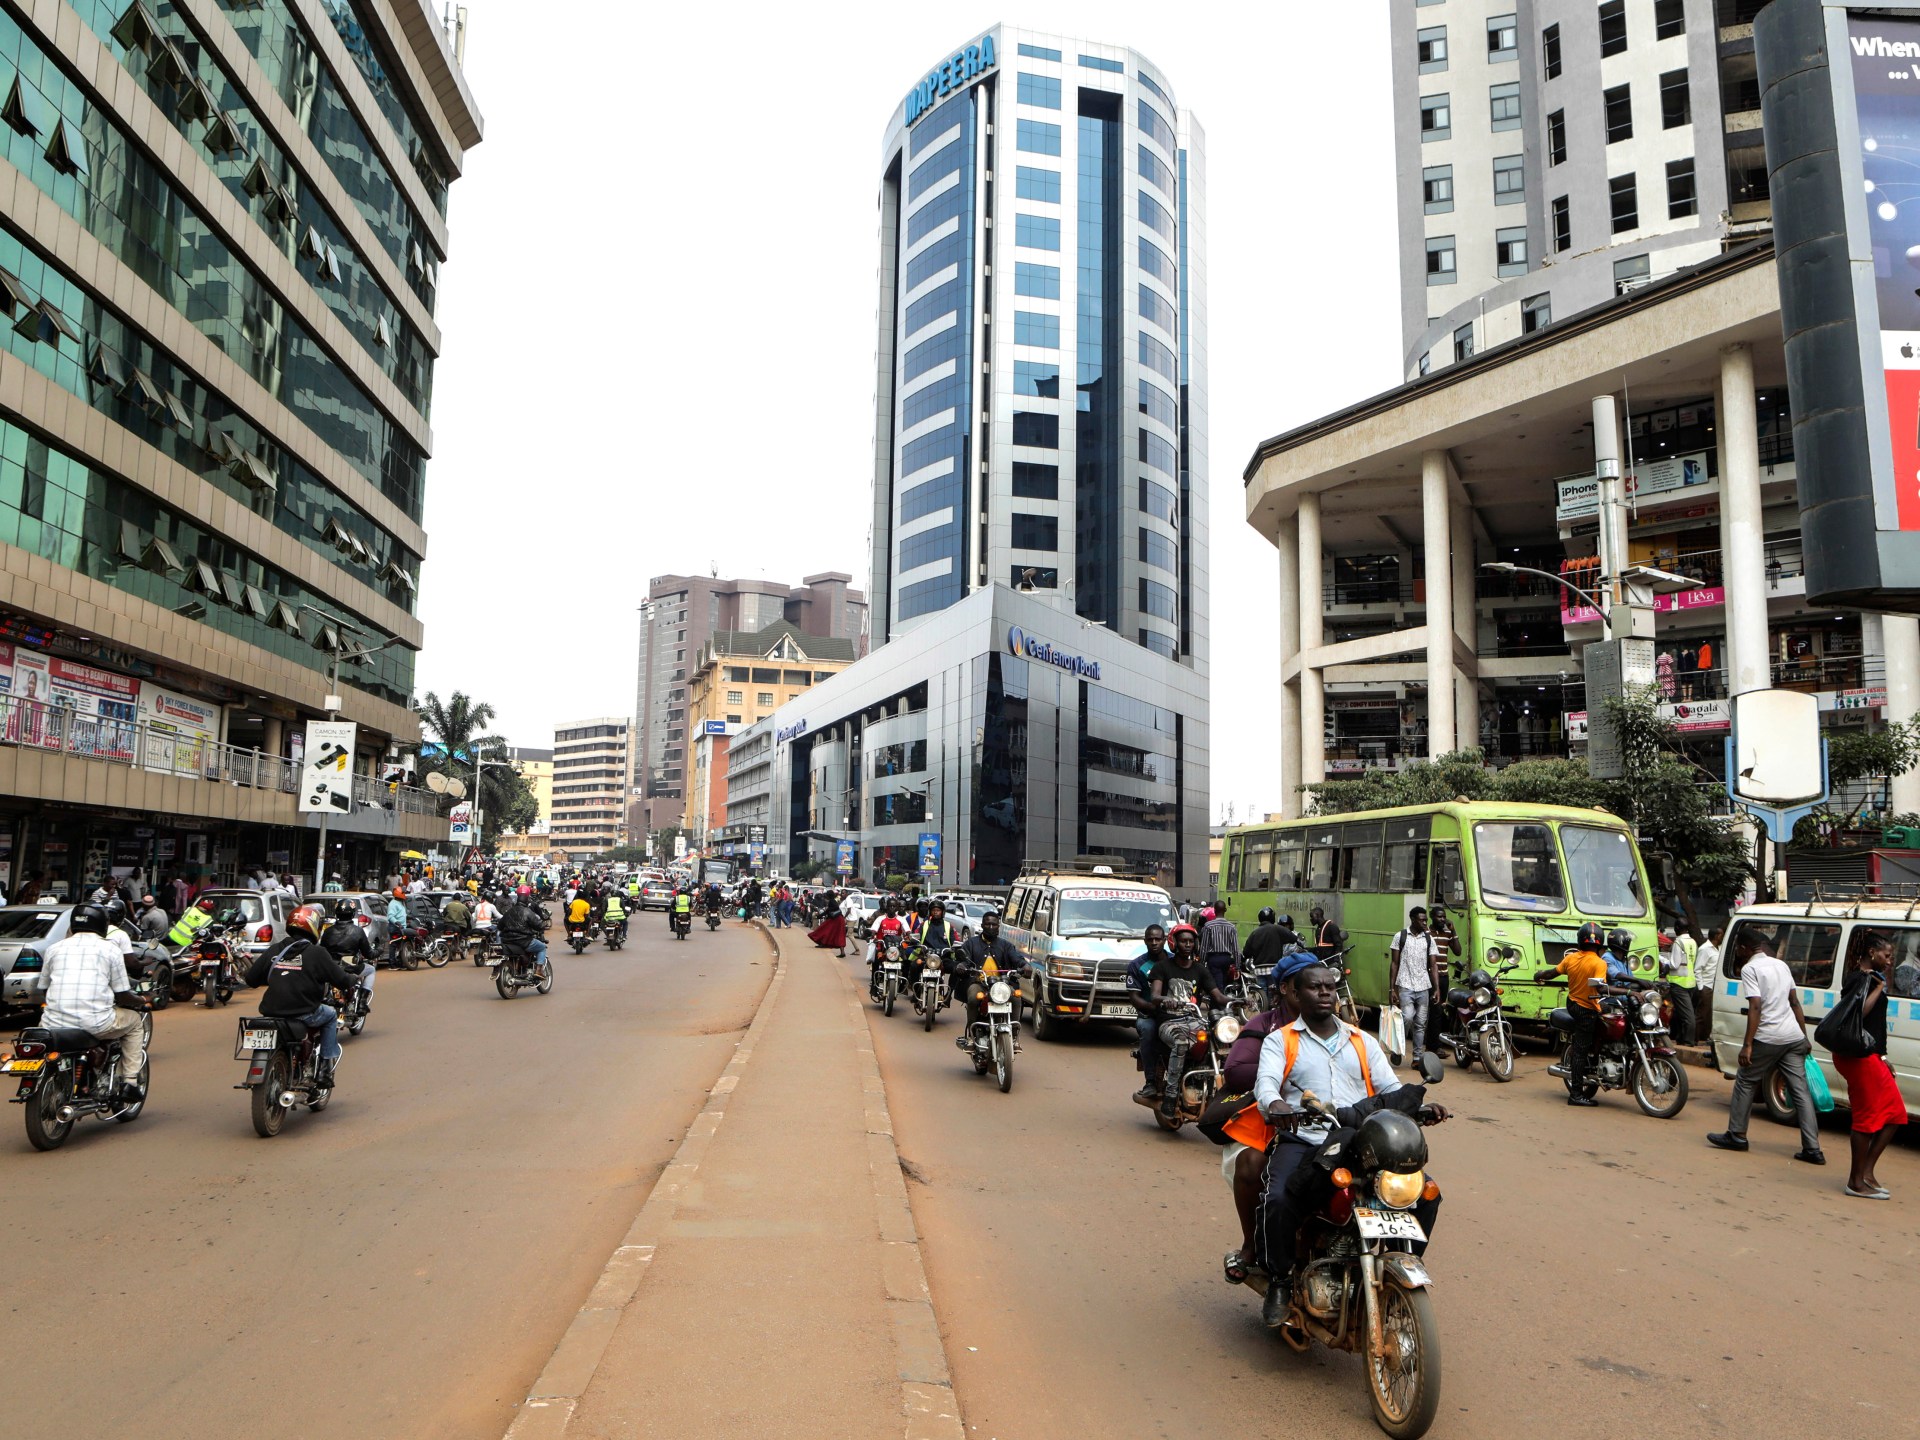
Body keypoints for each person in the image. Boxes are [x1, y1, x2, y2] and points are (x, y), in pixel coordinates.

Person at [1252, 959, 1448, 1324]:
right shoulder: (1281, 1040)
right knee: (1278, 1199)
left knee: (1424, 1193)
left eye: (1329, 986)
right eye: (1315, 987)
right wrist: (1275, 1103)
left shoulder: (1361, 1041)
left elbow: (1390, 1089)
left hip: (1360, 1141)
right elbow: (1266, 1082)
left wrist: (1420, 1107)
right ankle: (1278, 1278)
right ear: (1296, 994)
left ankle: (1400, 1267)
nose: (1324, 993)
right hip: (1305, 1138)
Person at [1218, 948, 1317, 1282]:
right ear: (1286, 989)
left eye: (1325, 985)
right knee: (1251, 1164)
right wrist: (1278, 1078)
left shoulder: (1341, 1029)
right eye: (1308, 983)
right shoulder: (1265, 1026)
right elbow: (1235, 1071)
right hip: (1273, 1121)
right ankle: (1252, 1244)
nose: (1319, 991)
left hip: (1325, 1120)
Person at [1707, 927, 1825, 1164]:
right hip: (1792, 1036)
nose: (1737, 952)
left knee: (1745, 1080)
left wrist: (1747, 1045)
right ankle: (1813, 1149)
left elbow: (1756, 1006)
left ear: (1744, 948)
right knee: (1800, 1092)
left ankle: (1737, 1135)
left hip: (1769, 1036)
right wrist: (1804, 1037)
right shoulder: (1781, 965)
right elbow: (1794, 1002)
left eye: (1738, 948)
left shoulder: (1750, 969)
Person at [37, 903, 149, 1102]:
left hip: (52, 1025)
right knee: (134, 1022)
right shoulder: (111, 949)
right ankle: (130, 1082)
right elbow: (122, 994)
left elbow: (44, 988)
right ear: (102, 925)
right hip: (95, 1023)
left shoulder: (54, 949)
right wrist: (141, 1000)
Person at [245, 905, 361, 1090]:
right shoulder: (317, 953)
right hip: (303, 1012)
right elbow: (341, 980)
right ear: (313, 927)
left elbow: (251, 979)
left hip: (271, 1012)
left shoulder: (275, 949)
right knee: (331, 1015)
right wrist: (353, 978)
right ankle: (324, 1070)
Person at [1832, 931, 1904, 1198]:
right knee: (1865, 1118)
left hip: (1870, 1055)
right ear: (1872, 953)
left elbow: (1877, 1026)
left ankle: (1866, 1172)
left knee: (1895, 1114)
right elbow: (1858, 1014)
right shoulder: (1858, 979)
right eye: (1887, 955)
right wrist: (1877, 989)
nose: (1890, 961)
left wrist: (1883, 1056)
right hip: (1857, 1056)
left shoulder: (1874, 978)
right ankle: (1855, 1182)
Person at [1149, 924, 1232, 1120]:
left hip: (1194, 1020)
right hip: (1169, 1022)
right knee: (1181, 1042)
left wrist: (1237, 1000)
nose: (1187, 944)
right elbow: (1154, 996)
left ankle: (1207, 1081)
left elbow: (1218, 996)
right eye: (1183, 941)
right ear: (1174, 943)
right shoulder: (1162, 967)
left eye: (1190, 941)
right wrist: (1166, 999)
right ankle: (1171, 1095)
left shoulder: (1200, 970)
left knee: (1218, 1037)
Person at [1537, 921, 1609, 1107]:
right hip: (1585, 1009)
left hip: (1573, 1004)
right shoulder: (1599, 963)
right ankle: (1575, 1094)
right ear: (1600, 943)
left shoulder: (1571, 958)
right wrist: (1628, 991)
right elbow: (1599, 988)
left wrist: (1539, 975)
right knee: (1580, 1050)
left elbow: (1552, 973)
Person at [952, 910, 1027, 1042]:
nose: (991, 927)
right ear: (982, 925)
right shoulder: (971, 943)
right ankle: (972, 1035)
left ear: (998, 926)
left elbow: (1017, 958)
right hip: (979, 983)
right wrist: (962, 966)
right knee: (973, 997)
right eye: (987, 924)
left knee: (1016, 998)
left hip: (1001, 985)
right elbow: (964, 960)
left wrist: (1025, 965)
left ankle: (1014, 1036)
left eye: (994, 924)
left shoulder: (1006, 945)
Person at [1389, 906, 1448, 1066]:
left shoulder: (1428, 939)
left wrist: (1436, 989)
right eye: (1422, 920)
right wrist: (1392, 989)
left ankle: (1417, 1058)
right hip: (1405, 984)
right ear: (1413, 920)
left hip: (1423, 986)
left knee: (1421, 1024)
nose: (1425, 923)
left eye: (1426, 920)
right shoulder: (1400, 936)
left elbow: (1433, 965)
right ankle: (1397, 1049)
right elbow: (1394, 963)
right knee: (1407, 1017)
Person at [1127, 924, 1171, 1101]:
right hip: (1149, 1016)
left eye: (1158, 939)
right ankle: (1150, 1082)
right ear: (1145, 941)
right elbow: (1134, 997)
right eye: (1150, 939)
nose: (1154, 943)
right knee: (1147, 1029)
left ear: (1164, 940)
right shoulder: (1136, 965)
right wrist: (1154, 1008)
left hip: (1176, 1016)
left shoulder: (1175, 960)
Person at [322, 900, 377, 1016]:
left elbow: (322, 951)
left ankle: (327, 996)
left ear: (336, 913)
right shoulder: (358, 931)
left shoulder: (327, 931)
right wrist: (379, 951)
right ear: (352, 913)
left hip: (331, 968)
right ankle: (362, 1003)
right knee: (371, 970)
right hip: (350, 968)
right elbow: (369, 954)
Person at [1661, 926, 1699, 1044]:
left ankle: (1688, 1040)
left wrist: (1664, 961)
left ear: (1677, 928)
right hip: (1691, 982)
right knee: (1679, 1013)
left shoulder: (1679, 942)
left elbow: (1674, 964)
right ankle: (1680, 1038)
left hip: (1679, 983)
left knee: (1687, 1015)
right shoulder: (1693, 942)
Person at [1241, 908, 1300, 980]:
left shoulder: (1254, 933)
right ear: (1272, 917)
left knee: (1260, 987)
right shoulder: (1278, 929)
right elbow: (1294, 938)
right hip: (1274, 969)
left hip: (1259, 971)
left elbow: (1246, 952)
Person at [500, 885, 550, 971]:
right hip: (524, 941)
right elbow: (539, 925)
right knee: (542, 947)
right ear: (527, 898)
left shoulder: (509, 911)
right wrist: (543, 925)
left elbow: (500, 926)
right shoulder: (528, 911)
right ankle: (539, 970)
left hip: (508, 941)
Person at [1200, 904, 1241, 996]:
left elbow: (1204, 947)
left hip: (1213, 959)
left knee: (1217, 985)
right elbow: (1236, 949)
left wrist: (1201, 963)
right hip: (1226, 959)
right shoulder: (1231, 927)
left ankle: (1219, 1002)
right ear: (1225, 910)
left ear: (1214, 911)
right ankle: (1221, 1001)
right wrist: (1237, 967)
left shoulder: (1208, 926)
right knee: (1223, 982)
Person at [385, 888, 409, 965]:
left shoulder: (400, 902)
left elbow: (401, 914)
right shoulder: (393, 904)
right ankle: (392, 964)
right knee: (394, 945)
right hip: (395, 928)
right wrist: (397, 923)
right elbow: (390, 916)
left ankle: (401, 962)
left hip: (402, 928)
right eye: (403, 893)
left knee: (401, 944)